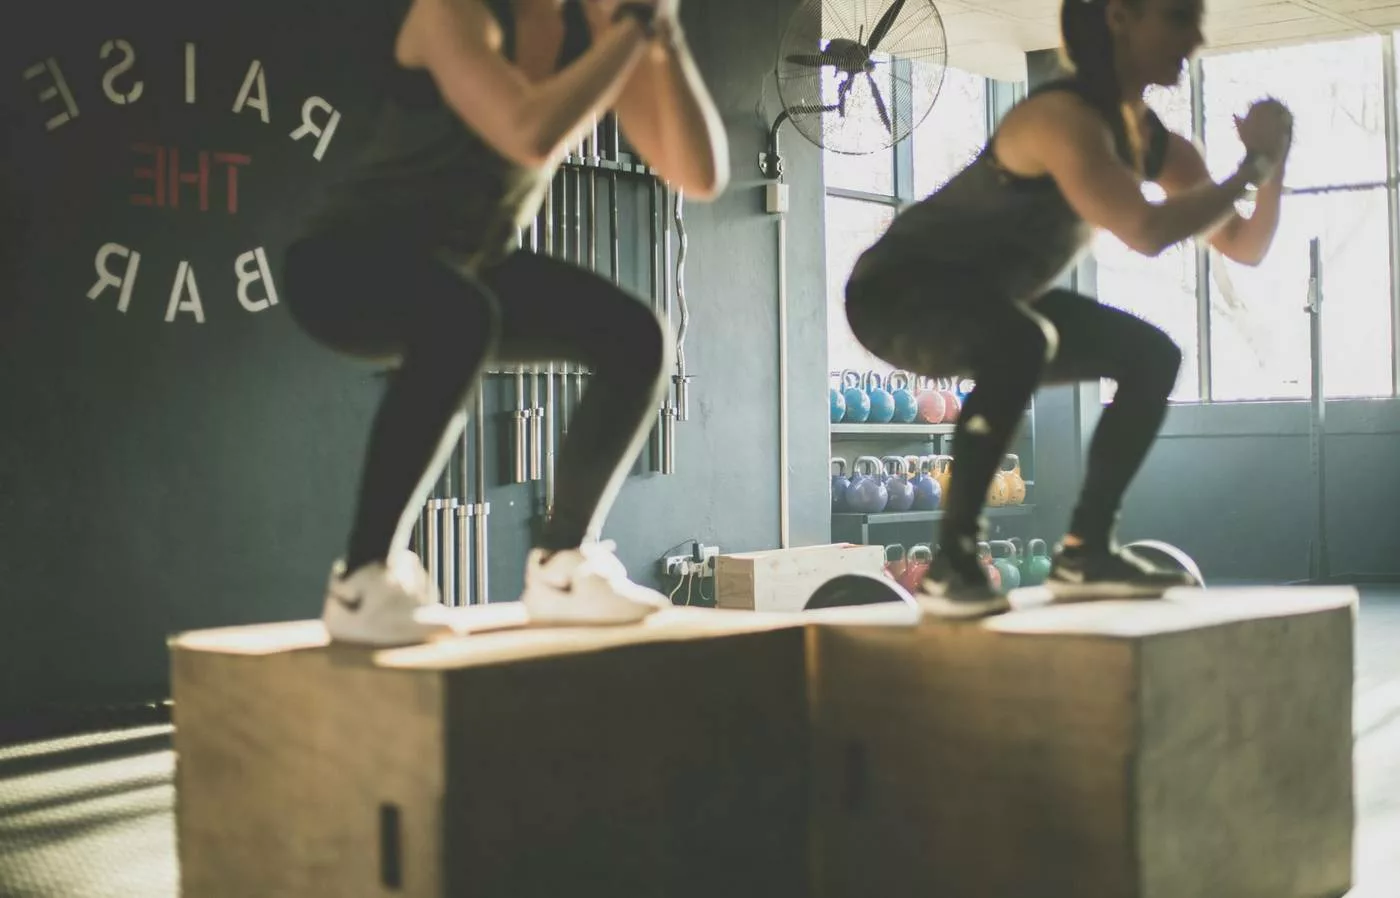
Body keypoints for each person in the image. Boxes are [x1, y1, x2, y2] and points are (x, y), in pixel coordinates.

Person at [282, 0, 729, 645]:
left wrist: (666, 36)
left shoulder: (594, 39)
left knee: (635, 337)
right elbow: (528, 131)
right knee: (460, 316)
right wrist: (632, 28)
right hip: (343, 261)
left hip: (469, 266)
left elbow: (700, 173)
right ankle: (362, 580)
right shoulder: (453, 14)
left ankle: (562, 565)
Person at [844, 0, 1293, 619]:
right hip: (896, 292)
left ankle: (1086, 551)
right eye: (1177, 17)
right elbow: (1146, 229)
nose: (1195, 37)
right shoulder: (1058, 118)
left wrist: (1271, 171)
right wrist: (1252, 165)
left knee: (1151, 356)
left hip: (993, 302)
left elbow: (1244, 246)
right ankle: (952, 562)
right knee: (1023, 341)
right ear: (1120, 18)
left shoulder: (1162, 148)